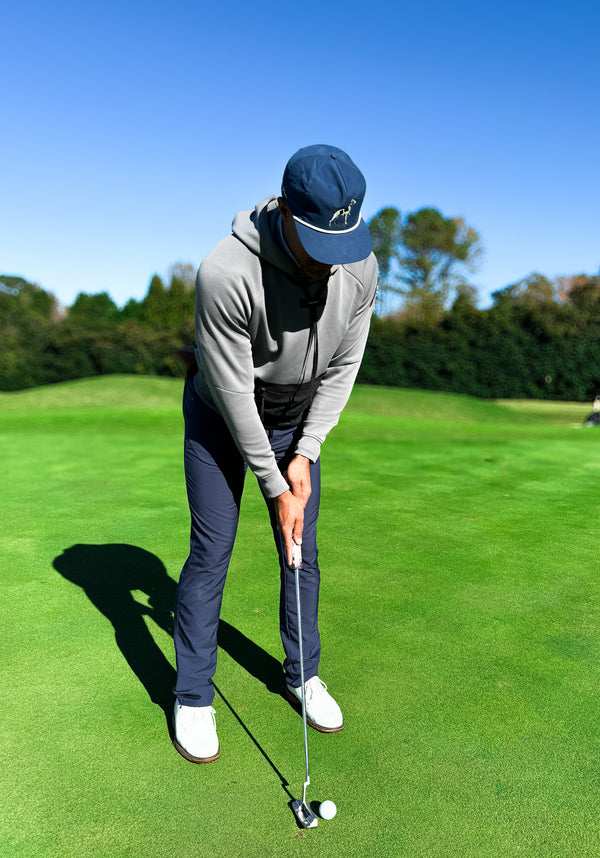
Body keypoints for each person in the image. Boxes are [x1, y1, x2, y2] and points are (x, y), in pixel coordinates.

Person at [173, 144, 378, 763]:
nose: (330, 264)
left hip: (297, 418)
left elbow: (344, 365)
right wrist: (275, 483)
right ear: (285, 211)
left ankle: (301, 673)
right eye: (318, 241)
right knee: (212, 551)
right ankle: (192, 696)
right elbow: (234, 393)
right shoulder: (226, 271)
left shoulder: (360, 265)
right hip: (222, 416)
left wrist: (306, 455)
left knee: (300, 551)